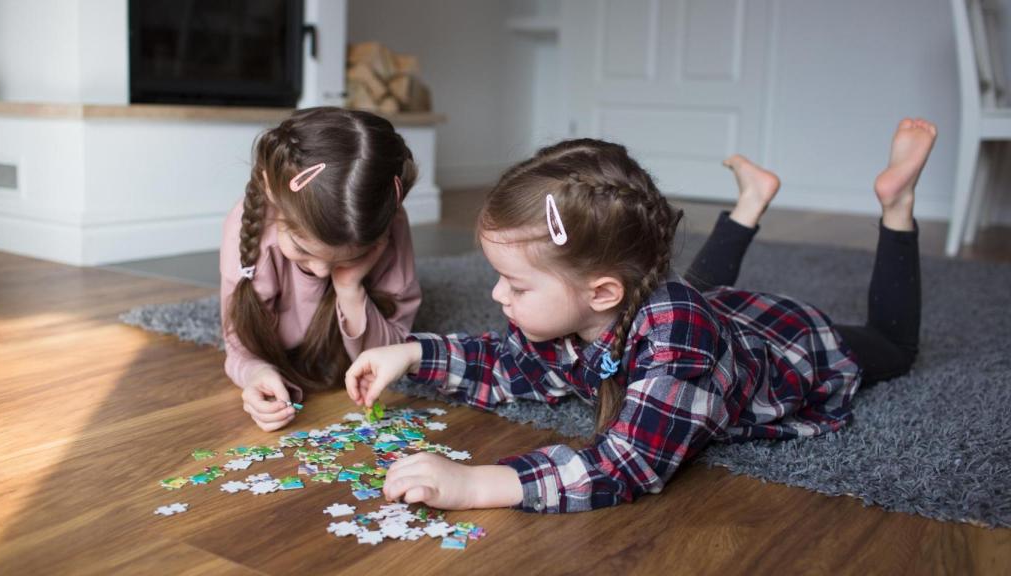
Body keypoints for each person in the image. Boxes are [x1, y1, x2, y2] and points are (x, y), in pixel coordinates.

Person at [345, 118, 936, 513]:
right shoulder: (595, 304)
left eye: (516, 284)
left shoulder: (681, 342)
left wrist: (477, 483)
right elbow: (505, 365)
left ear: (601, 293)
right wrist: (414, 352)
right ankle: (751, 202)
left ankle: (897, 203)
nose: (498, 297)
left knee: (892, 345)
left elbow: (627, 463)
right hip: (694, 316)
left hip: (784, 345)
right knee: (693, 290)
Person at [220, 107, 422, 432]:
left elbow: (388, 355)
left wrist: (351, 289)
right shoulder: (252, 229)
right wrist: (254, 372)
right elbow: (239, 343)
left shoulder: (389, 225)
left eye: (348, 257)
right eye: (302, 249)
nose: (322, 272)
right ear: (270, 188)